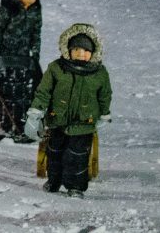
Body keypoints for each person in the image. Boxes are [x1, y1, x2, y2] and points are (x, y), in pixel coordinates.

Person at [24, 24, 112, 198]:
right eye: (77, 49)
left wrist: (104, 114)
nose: (81, 53)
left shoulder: (99, 73)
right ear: (68, 49)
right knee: (54, 153)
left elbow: (105, 94)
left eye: (86, 50)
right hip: (57, 121)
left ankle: (76, 187)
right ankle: (54, 181)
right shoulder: (57, 68)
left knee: (77, 157)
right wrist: (35, 114)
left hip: (84, 124)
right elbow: (43, 92)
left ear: (94, 52)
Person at [0, 0, 43, 142]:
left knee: (22, 90)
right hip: (6, 53)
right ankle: (3, 122)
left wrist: (35, 52)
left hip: (23, 55)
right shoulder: (8, 7)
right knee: (5, 88)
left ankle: (21, 123)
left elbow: (36, 33)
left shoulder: (36, 11)